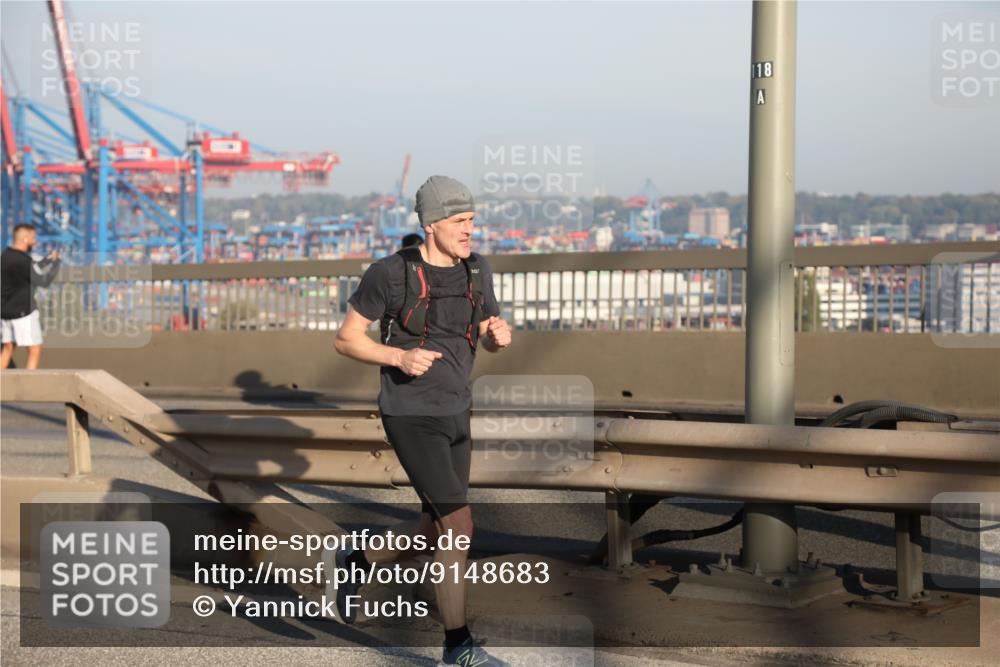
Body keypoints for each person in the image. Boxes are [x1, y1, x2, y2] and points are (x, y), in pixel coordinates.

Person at [334, 175, 513, 666]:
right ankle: (458, 647)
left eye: (472, 220)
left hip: (457, 409)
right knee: (459, 527)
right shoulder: (390, 273)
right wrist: (398, 357)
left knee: (435, 531)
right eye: (459, 221)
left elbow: (484, 331)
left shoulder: (476, 269)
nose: (469, 230)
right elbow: (346, 339)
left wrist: (496, 336)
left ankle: (358, 560)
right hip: (411, 414)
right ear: (432, 224)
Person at [1, 224, 61, 370]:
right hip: (23, 312)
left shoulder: (4, 256)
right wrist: (56, 263)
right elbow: (44, 281)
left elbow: (28, 270)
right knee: (34, 350)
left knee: (8, 349)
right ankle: (29, 383)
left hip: (5, 313)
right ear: (25, 239)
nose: (35, 242)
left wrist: (47, 260)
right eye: (33, 238)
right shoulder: (24, 260)